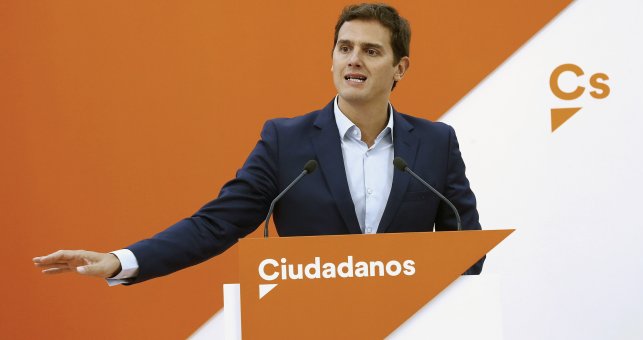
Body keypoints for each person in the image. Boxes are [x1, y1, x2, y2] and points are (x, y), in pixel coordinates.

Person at [33, 3, 483, 283]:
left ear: (400, 68)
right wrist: (120, 260)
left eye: (371, 50)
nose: (354, 60)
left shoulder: (435, 143)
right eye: (344, 48)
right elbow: (215, 225)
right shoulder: (286, 142)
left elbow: (467, 249)